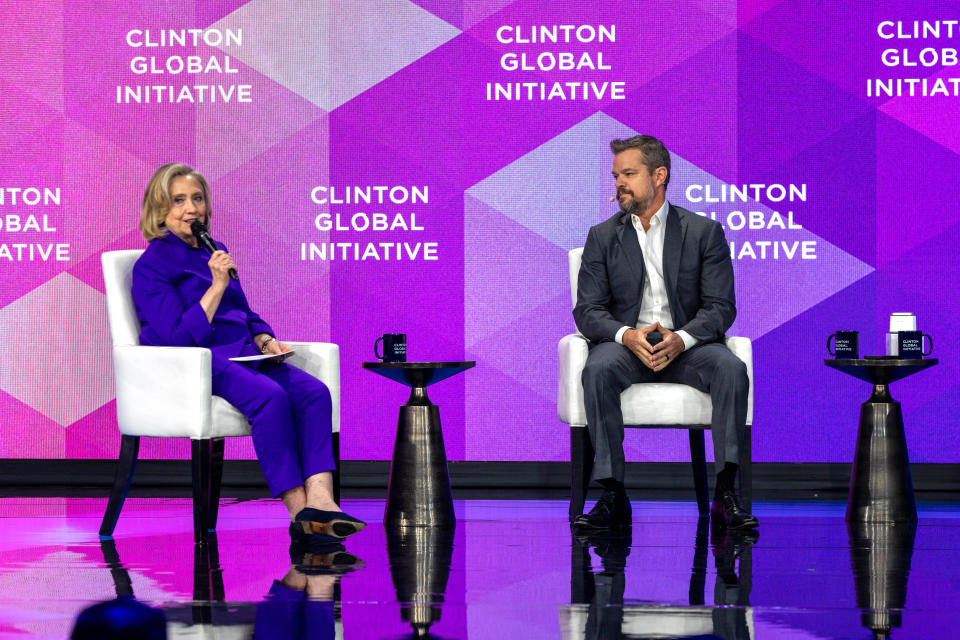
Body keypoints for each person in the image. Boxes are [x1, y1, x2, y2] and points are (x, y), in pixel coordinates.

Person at [132, 163, 364, 543]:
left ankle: (323, 499)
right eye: (178, 201)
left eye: (197, 198)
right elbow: (176, 338)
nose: (191, 209)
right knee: (270, 398)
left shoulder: (215, 249)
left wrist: (263, 338)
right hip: (198, 360)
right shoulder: (151, 266)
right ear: (159, 211)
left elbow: (243, 310)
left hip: (242, 351)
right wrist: (217, 285)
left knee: (313, 393)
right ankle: (299, 511)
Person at [572, 135, 757, 531]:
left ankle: (726, 493)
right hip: (627, 347)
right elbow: (587, 311)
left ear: (659, 175)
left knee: (731, 369)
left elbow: (721, 307)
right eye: (616, 175)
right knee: (597, 369)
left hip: (688, 347)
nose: (619, 183)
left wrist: (682, 338)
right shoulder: (602, 237)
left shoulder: (704, 232)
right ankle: (611, 493)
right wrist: (626, 335)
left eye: (629, 174)